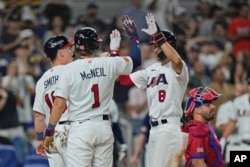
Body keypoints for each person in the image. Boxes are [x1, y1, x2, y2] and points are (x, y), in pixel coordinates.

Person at [42, 16, 141, 167]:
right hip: (103, 127)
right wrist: (133, 35)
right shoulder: (108, 63)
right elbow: (136, 58)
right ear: (95, 45)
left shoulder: (68, 70)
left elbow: (59, 105)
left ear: (77, 46)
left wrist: (49, 131)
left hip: (80, 129)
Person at [119, 12, 189, 167]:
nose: (156, 49)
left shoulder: (178, 68)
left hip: (170, 127)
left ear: (168, 44)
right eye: (154, 46)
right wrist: (133, 39)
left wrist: (158, 35)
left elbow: (176, 59)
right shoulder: (151, 69)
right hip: (154, 129)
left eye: (158, 45)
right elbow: (124, 80)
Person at [33, 35, 74, 166]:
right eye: (68, 48)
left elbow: (39, 116)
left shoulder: (41, 81)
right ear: (60, 52)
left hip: (50, 134)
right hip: (72, 129)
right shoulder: (73, 71)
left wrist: (40, 139)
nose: (71, 51)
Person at [182, 87, 225, 167]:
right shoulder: (197, 130)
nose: (213, 107)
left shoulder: (204, 127)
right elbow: (198, 163)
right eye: (208, 105)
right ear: (198, 110)